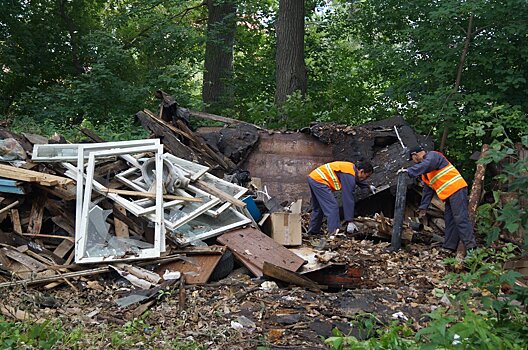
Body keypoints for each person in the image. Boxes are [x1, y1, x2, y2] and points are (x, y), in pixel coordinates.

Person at [399, 146, 477, 252]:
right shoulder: (426, 173)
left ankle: (471, 248)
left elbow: (427, 164)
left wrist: (409, 171)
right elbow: (428, 190)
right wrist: (423, 207)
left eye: (412, 159)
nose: (413, 162)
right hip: (449, 194)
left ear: (415, 155)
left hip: (457, 189)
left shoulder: (433, 156)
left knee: (460, 218)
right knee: (450, 220)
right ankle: (449, 247)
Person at [307, 161, 375, 235]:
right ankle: (334, 234)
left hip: (314, 177)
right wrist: (350, 221)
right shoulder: (349, 175)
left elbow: (356, 179)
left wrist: (367, 187)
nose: (366, 179)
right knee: (332, 207)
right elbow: (348, 198)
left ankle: (312, 232)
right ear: (361, 171)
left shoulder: (351, 169)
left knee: (318, 207)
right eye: (367, 176)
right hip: (320, 181)